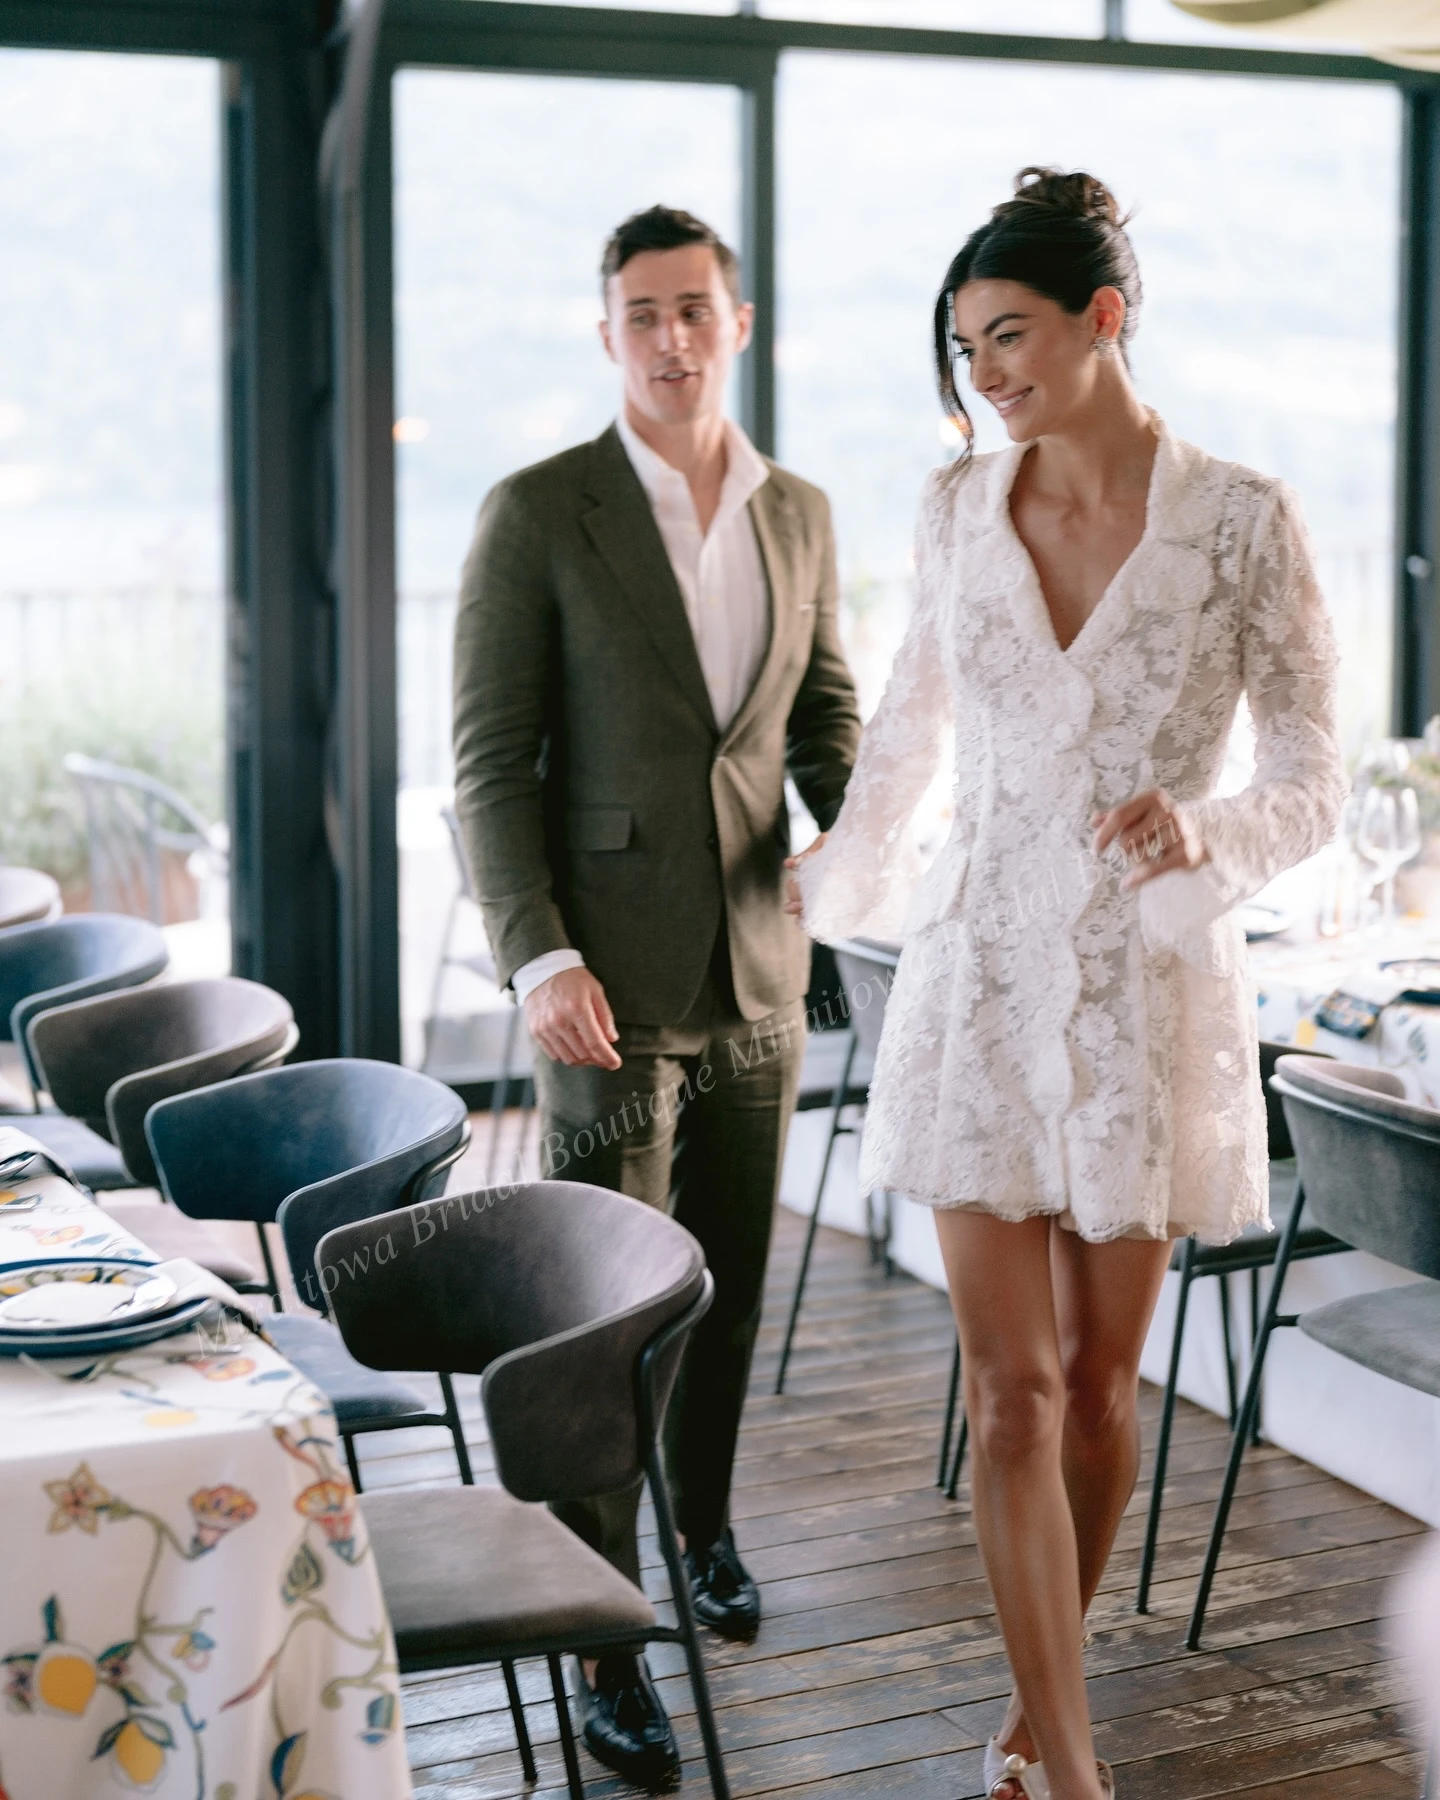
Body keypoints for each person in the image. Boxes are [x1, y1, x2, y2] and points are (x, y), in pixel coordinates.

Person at [787, 167, 1345, 1800]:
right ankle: (1078, 1769)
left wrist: (1210, 822)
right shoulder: (959, 507)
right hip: (975, 974)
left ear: (1106, 318)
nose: (989, 378)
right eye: (965, 350)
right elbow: (909, 730)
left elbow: (1312, 775)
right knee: (1012, 1393)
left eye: (1011, 337)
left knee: (1105, 1389)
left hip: (1147, 990)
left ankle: (1040, 1715)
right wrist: (834, 888)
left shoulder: (1246, 519)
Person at [452, 203, 861, 1791]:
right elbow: (491, 764)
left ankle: (701, 1533)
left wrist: (886, 844)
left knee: (729, 1288)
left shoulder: (803, 514)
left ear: (738, 323)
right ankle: (602, 1629)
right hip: (601, 991)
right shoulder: (538, 513)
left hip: (758, 971)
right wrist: (539, 952)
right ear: (607, 332)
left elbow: (825, 730)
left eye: (696, 309)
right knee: (607, 1310)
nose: (673, 338)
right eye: (643, 314)